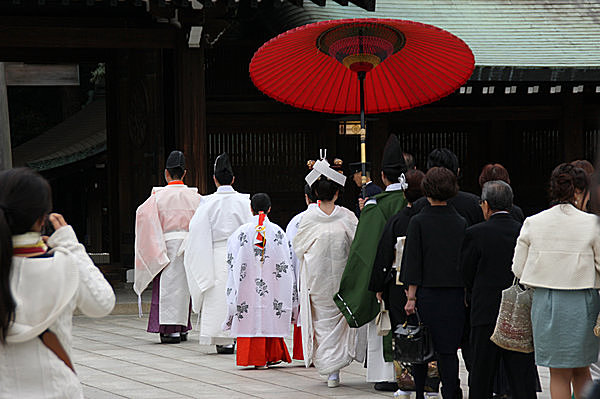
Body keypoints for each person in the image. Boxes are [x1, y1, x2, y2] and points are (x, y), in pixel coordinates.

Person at [0, 167, 115, 398]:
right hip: (57, 389)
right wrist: (71, 244)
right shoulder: (65, 264)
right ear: (42, 218)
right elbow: (102, 304)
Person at [512, 163, 600, 399]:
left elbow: (518, 268)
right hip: (583, 302)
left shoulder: (533, 222)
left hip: (546, 302)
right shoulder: (592, 224)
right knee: (583, 370)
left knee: (558, 373)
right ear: (580, 191)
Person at [335, 134, 409, 391]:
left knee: (384, 324)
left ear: (382, 176)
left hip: (386, 278)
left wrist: (369, 283)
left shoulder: (375, 207)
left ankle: (387, 375)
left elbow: (363, 251)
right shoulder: (414, 203)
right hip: (413, 278)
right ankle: (413, 373)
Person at [460, 180, 537, 399]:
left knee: (482, 375)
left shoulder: (475, 233)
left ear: (485, 205)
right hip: (518, 312)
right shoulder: (523, 231)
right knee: (521, 376)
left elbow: (466, 272)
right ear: (511, 204)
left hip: (485, 310)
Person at [294, 156, 364, 387]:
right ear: (336, 194)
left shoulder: (307, 219)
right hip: (341, 280)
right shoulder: (347, 217)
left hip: (318, 278)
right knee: (336, 322)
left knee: (323, 323)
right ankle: (334, 368)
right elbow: (357, 247)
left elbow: (298, 248)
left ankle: (330, 369)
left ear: (314, 194)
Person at [371, 169, 442, 398]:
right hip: (428, 284)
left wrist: (379, 285)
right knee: (429, 332)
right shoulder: (432, 219)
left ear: (403, 193)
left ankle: (404, 383)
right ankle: (431, 383)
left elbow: (384, 254)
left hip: (399, 284)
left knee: (401, 332)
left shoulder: (398, 220)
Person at [403, 166, 467, 399]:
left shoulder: (418, 222)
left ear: (427, 190)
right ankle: (451, 392)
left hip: (426, 296)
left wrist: (411, 297)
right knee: (448, 352)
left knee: (421, 350)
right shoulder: (461, 222)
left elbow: (413, 262)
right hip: (454, 296)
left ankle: (420, 392)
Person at [185, 153, 253, 353]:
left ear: (214, 179)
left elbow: (196, 233)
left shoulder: (207, 203)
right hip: (241, 254)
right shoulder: (243, 201)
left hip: (215, 254)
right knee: (241, 292)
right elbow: (251, 229)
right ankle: (241, 335)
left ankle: (222, 339)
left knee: (218, 294)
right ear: (233, 179)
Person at [223, 193, 298, 368]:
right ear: (270, 208)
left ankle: (254, 357)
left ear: (251, 209)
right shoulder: (278, 232)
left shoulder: (240, 232)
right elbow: (286, 264)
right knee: (270, 311)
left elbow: (232, 261)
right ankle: (271, 354)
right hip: (272, 286)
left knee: (249, 311)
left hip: (247, 285)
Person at [134, 150, 202, 343]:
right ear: (185, 173)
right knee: (184, 288)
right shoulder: (196, 197)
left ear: (166, 173)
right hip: (188, 246)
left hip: (164, 245)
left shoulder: (158, 197)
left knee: (167, 287)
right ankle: (182, 327)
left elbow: (142, 214)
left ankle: (168, 329)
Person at [286, 183, 318, 361]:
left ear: (307, 197)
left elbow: (290, 252)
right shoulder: (336, 217)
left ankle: (304, 351)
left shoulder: (297, 221)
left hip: (303, 272)